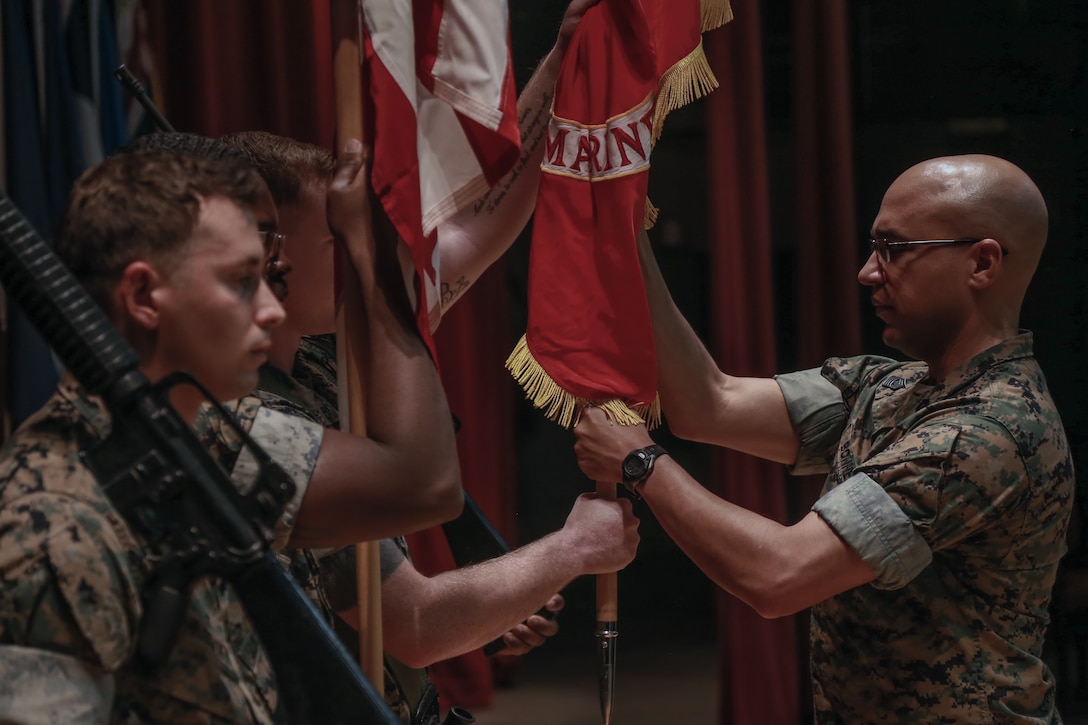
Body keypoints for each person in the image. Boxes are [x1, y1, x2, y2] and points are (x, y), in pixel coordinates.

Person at [572, 154, 1075, 722]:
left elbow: (779, 576)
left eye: (895, 249)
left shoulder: (985, 432)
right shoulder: (893, 384)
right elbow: (709, 403)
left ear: (982, 263)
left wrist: (640, 462)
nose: (867, 271)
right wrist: (624, 238)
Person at [0, 142, 456, 721]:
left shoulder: (199, 435)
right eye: (242, 282)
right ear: (143, 296)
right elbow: (418, 484)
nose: (271, 308)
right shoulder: (53, 524)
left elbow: (420, 484)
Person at [219, 125, 639, 720]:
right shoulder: (254, 422)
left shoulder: (320, 358)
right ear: (268, 255)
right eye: (336, 236)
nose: (352, 250)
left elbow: (471, 225)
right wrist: (572, 549)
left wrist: (563, 63)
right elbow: (417, 624)